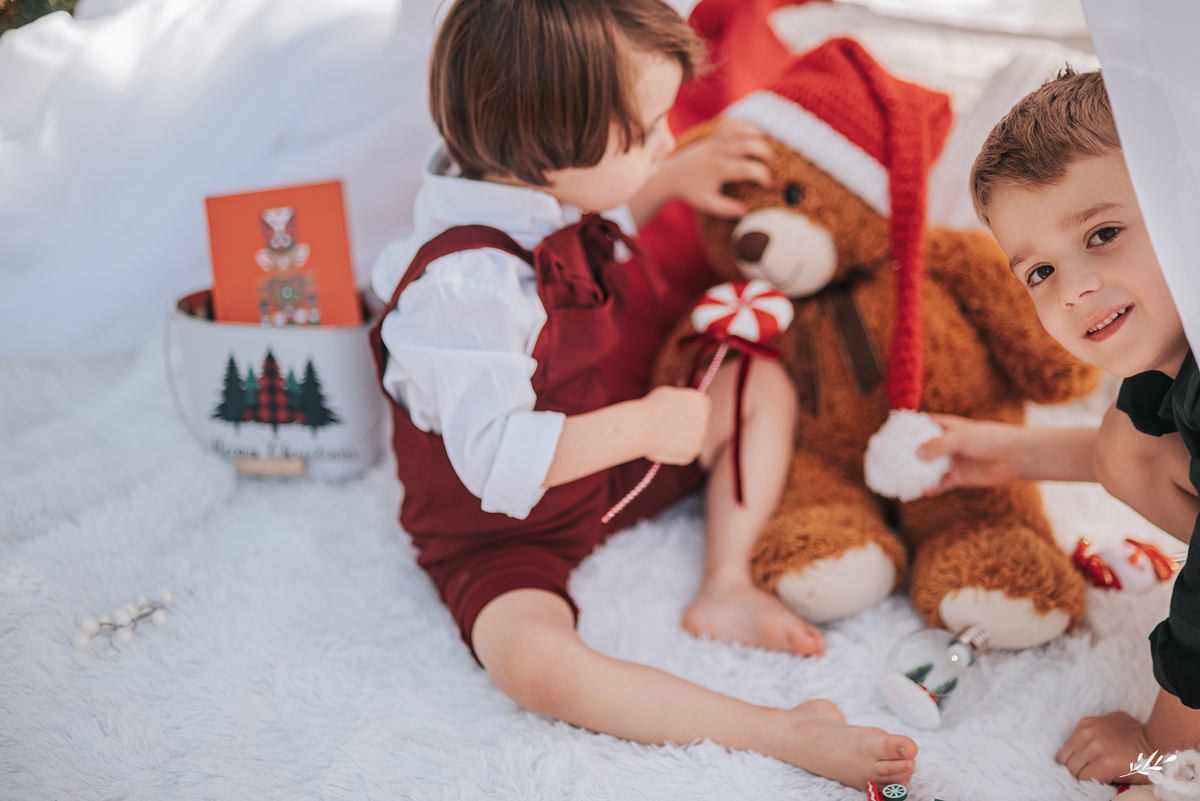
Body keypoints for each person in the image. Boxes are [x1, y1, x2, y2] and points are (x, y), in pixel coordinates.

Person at [366, 0, 917, 789]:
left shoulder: (528, 182)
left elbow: (592, 210)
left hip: (600, 465)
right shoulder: (462, 291)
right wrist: (646, 424)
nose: (667, 141)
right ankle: (780, 731)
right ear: (549, 149)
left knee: (756, 374)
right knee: (534, 665)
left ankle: (726, 581)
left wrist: (669, 181)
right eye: (646, 133)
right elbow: (499, 462)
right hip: (498, 533)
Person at [917, 67, 1200, 785]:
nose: (1074, 288)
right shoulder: (1174, 359)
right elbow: (1137, 452)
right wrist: (1013, 454)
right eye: (1040, 272)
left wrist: (1163, 749)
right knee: (1129, 445)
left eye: (1103, 234)